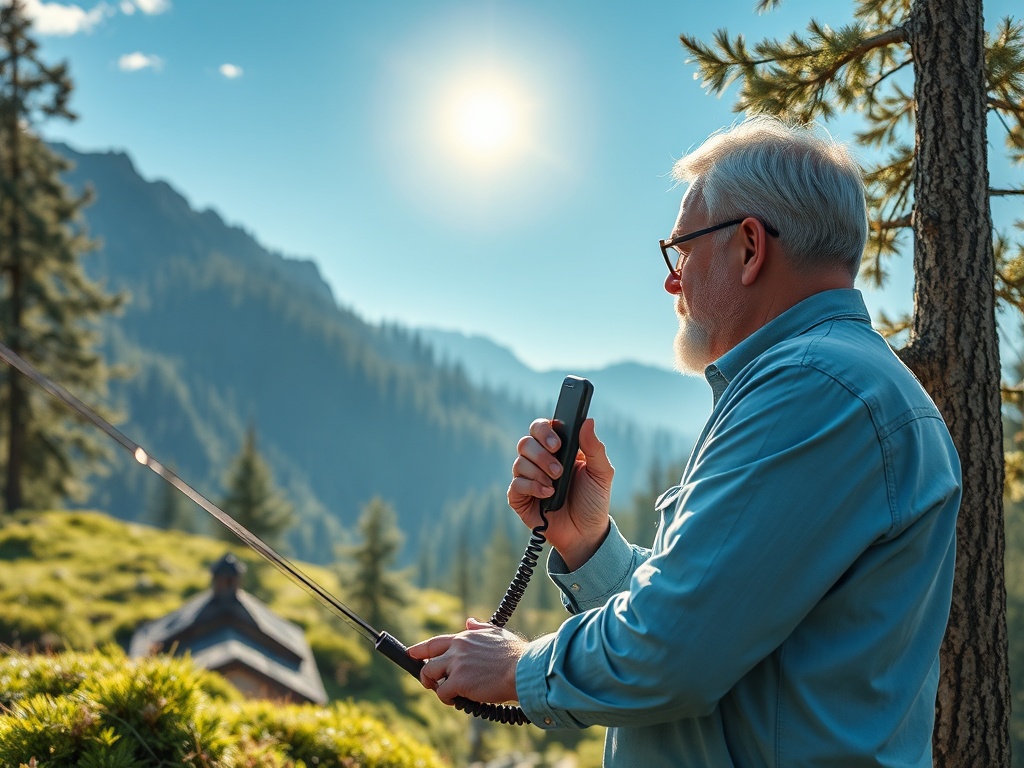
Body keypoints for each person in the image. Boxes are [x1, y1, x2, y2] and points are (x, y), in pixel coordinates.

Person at [408, 116, 962, 767]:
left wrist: (519, 667)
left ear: (750, 247)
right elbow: (717, 615)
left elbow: (674, 652)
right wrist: (586, 544)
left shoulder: (813, 388)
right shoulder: (826, 382)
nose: (673, 280)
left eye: (683, 250)